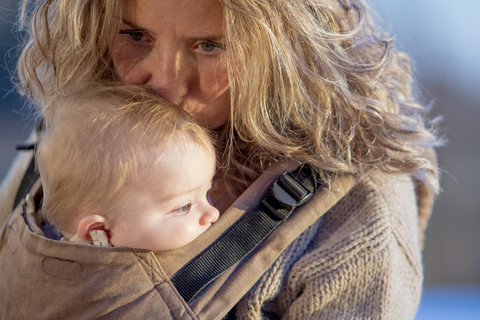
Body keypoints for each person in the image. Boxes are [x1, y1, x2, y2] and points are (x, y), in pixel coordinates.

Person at [0, 0, 442, 318]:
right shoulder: (70, 142)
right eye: (135, 35)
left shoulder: (359, 212)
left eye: (210, 45)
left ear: (288, 51)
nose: (164, 84)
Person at [35, 83, 219, 250]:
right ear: (99, 233)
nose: (213, 213)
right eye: (183, 207)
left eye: (207, 193)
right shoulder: (109, 285)